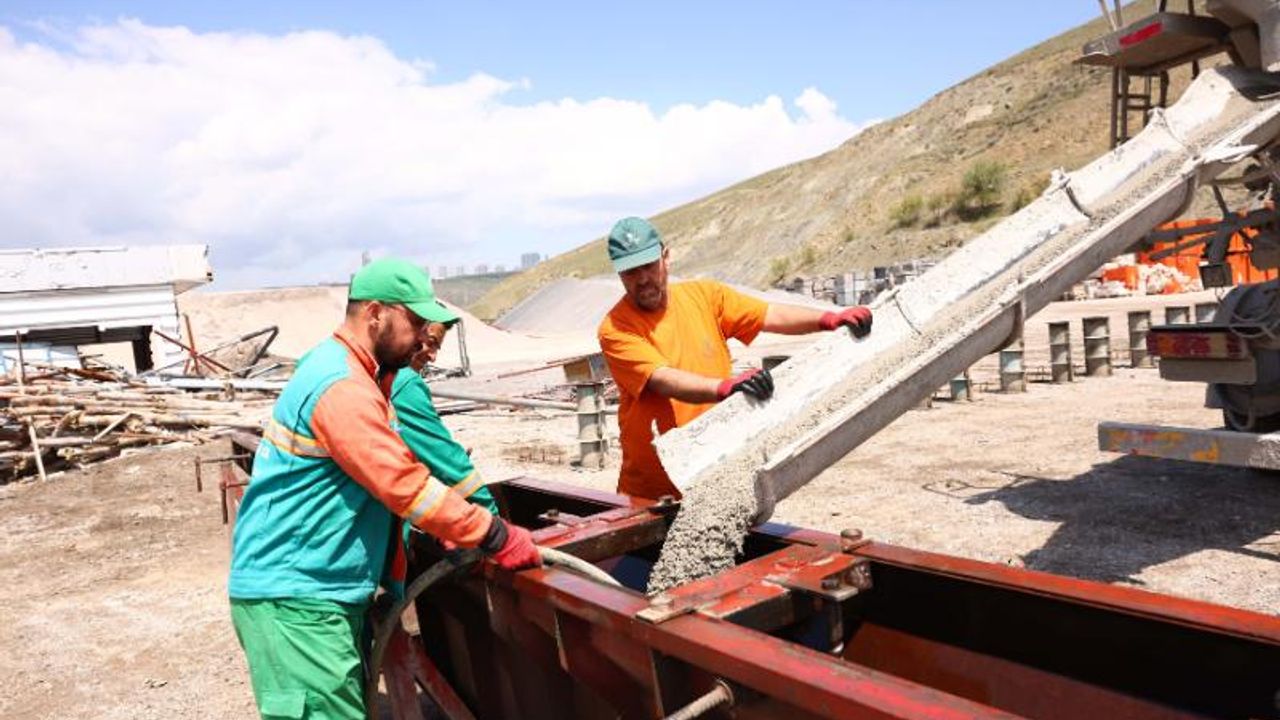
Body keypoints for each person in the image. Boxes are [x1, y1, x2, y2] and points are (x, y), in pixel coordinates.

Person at [228, 258, 539, 720]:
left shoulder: (355, 374)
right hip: (297, 597)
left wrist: (444, 526)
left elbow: (390, 479)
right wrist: (493, 533)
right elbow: (403, 485)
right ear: (375, 313)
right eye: (414, 321)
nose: (421, 335)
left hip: (319, 590)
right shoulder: (341, 386)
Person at [597, 217, 874, 500]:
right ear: (619, 274)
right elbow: (661, 379)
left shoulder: (705, 297)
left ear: (666, 257)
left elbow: (769, 314)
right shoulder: (616, 327)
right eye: (631, 272)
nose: (642, 279)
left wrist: (829, 319)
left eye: (648, 265)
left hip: (714, 474)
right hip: (651, 492)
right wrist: (725, 388)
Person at [389, 318, 499, 515]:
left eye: (437, 347)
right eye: (430, 343)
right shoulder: (405, 382)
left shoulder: (380, 373)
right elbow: (448, 462)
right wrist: (494, 521)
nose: (433, 357)